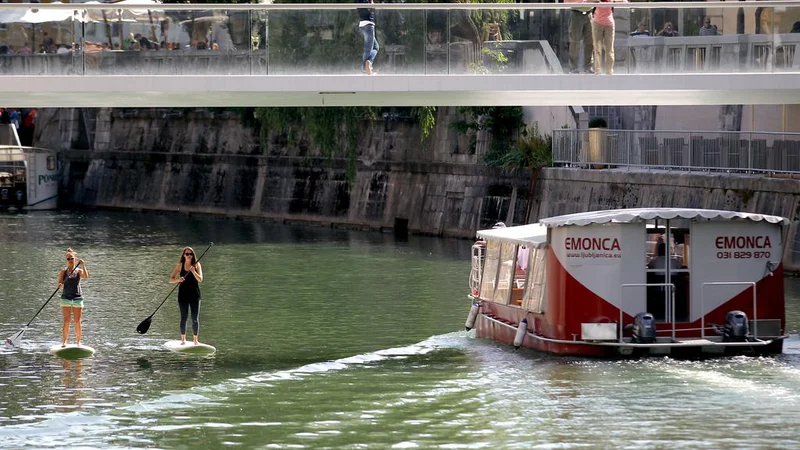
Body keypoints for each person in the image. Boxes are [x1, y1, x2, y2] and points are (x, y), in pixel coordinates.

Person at [169, 246, 204, 345]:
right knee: (183, 317)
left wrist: (193, 272)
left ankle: (195, 340)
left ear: (193, 255)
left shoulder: (197, 265)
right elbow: (171, 279)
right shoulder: (180, 265)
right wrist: (178, 280)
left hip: (195, 295)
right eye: (187, 254)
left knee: (194, 319)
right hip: (183, 295)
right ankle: (183, 340)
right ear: (184, 255)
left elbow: (200, 279)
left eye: (191, 254)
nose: (189, 256)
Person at [58, 248, 89, 347]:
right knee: (66, 321)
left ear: (75, 258)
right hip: (66, 298)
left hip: (77, 298)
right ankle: (64, 342)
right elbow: (60, 283)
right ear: (66, 260)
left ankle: (78, 342)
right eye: (68, 259)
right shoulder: (63, 272)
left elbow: (86, 277)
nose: (70, 260)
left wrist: (83, 265)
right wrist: (60, 285)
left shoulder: (79, 270)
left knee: (77, 321)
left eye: (72, 258)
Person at [591, 0, 624, 75]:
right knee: (597, 48)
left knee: (609, 48)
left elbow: (625, 2)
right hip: (597, 23)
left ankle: (609, 71)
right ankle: (598, 70)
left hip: (609, 24)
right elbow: (585, 2)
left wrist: (615, 1)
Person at [565, 0, 593, 74]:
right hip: (576, 14)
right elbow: (566, 2)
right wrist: (581, 1)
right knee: (575, 42)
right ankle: (573, 68)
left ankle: (588, 67)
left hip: (589, 14)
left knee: (590, 42)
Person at [357, 0, 379, 75]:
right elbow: (370, 10)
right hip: (368, 25)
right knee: (368, 49)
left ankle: (367, 65)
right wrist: (372, 3)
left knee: (375, 47)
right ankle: (365, 67)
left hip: (362, 25)